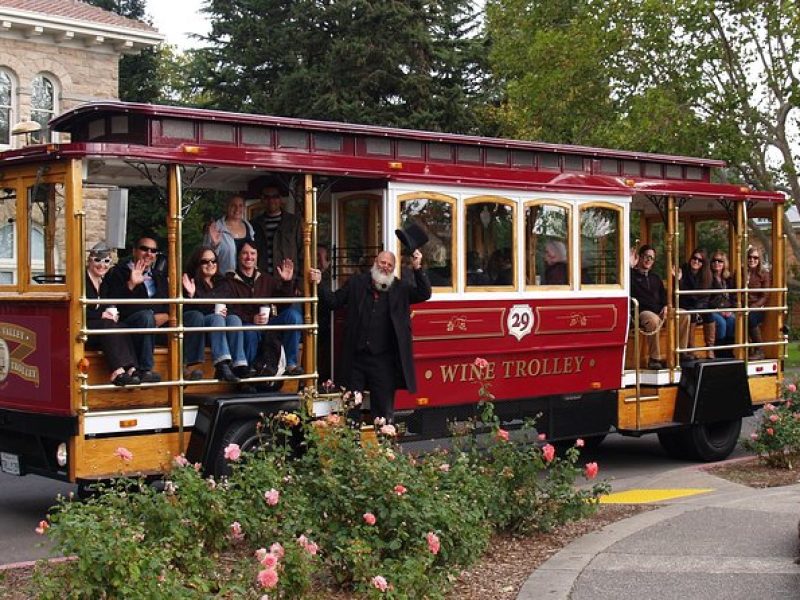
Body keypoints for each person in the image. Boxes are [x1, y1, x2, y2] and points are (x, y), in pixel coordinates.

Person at [309, 248, 432, 422]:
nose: (386, 267)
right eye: (383, 263)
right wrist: (320, 283)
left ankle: (381, 445)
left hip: (383, 361)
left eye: (390, 265)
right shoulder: (357, 283)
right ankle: (350, 444)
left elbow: (424, 293)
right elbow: (333, 301)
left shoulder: (399, 288)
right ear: (375, 263)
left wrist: (417, 267)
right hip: (356, 359)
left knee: (382, 413)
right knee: (350, 408)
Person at [227, 239, 300, 376]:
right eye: (245, 253)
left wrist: (286, 282)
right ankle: (247, 376)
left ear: (257, 256)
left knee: (293, 315)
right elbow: (230, 309)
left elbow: (283, 304)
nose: (249, 257)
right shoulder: (230, 280)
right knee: (249, 331)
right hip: (246, 325)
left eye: (252, 253)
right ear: (238, 256)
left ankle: (291, 363)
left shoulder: (266, 279)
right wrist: (251, 318)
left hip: (269, 324)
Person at [103, 236, 167, 383]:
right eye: (144, 249)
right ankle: (145, 369)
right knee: (146, 317)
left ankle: (184, 368)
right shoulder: (118, 272)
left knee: (189, 318)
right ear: (134, 251)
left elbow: (168, 304)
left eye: (153, 251)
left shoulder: (159, 276)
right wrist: (131, 284)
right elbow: (113, 302)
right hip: (130, 324)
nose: (149, 253)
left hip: (158, 325)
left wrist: (167, 315)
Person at [181, 247, 245, 382]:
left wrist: (227, 311)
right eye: (205, 261)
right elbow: (189, 312)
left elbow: (233, 306)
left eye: (213, 261)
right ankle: (222, 365)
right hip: (202, 330)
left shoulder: (223, 282)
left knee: (234, 319)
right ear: (197, 264)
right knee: (217, 318)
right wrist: (191, 296)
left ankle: (239, 365)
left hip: (221, 330)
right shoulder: (190, 282)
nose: (210, 264)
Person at [85, 241, 141, 386]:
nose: (102, 265)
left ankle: (131, 368)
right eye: (97, 260)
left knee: (122, 326)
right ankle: (116, 371)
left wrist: (132, 284)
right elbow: (78, 310)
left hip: (98, 328)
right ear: (89, 261)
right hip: (82, 328)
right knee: (107, 324)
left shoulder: (104, 283)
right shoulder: (81, 281)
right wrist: (101, 316)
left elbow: (115, 298)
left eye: (107, 261)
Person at [252, 185, 303, 279]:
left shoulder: (294, 222)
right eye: (267, 197)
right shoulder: (254, 224)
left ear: (280, 199)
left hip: (288, 279)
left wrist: (300, 282)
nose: (271, 200)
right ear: (262, 200)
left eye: (275, 196)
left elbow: (303, 252)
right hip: (262, 279)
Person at [630, 244, 667, 370]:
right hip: (642, 312)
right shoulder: (631, 276)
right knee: (653, 320)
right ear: (639, 257)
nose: (648, 260)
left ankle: (680, 354)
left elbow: (664, 296)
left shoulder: (655, 277)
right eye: (646, 256)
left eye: (651, 258)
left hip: (659, 311)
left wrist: (666, 306)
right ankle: (654, 359)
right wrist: (630, 267)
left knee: (682, 314)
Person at [204, 194, 255, 275]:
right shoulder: (216, 228)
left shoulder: (249, 227)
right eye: (233, 205)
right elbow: (205, 258)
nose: (237, 209)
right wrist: (215, 245)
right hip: (225, 279)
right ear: (226, 207)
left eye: (240, 205)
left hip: (247, 279)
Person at [677, 248, 711, 362]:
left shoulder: (706, 275)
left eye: (700, 260)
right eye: (694, 258)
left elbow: (704, 295)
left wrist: (699, 308)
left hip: (699, 305)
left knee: (709, 314)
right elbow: (682, 293)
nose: (696, 261)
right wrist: (679, 280)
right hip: (685, 304)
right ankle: (690, 348)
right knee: (691, 313)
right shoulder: (683, 271)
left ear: (703, 263)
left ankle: (710, 349)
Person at [709, 251, 736, 357]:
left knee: (732, 321)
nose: (716, 263)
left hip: (727, 309)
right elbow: (707, 299)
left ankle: (729, 351)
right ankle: (719, 352)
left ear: (724, 263)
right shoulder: (709, 277)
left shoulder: (728, 279)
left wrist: (730, 309)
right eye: (714, 260)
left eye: (720, 261)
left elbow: (733, 297)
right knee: (721, 323)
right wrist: (719, 310)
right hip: (713, 309)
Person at [746, 247, 770, 359]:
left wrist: (754, 306)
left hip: (757, 307)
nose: (752, 260)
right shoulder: (741, 272)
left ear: (759, 259)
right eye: (750, 257)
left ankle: (759, 350)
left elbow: (765, 296)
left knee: (750, 317)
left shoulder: (764, 274)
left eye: (755, 257)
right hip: (742, 306)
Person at [316, 244, 333, 382]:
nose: (317, 261)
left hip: (328, 320)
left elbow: (330, 299)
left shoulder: (330, 277)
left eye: (319, 257)